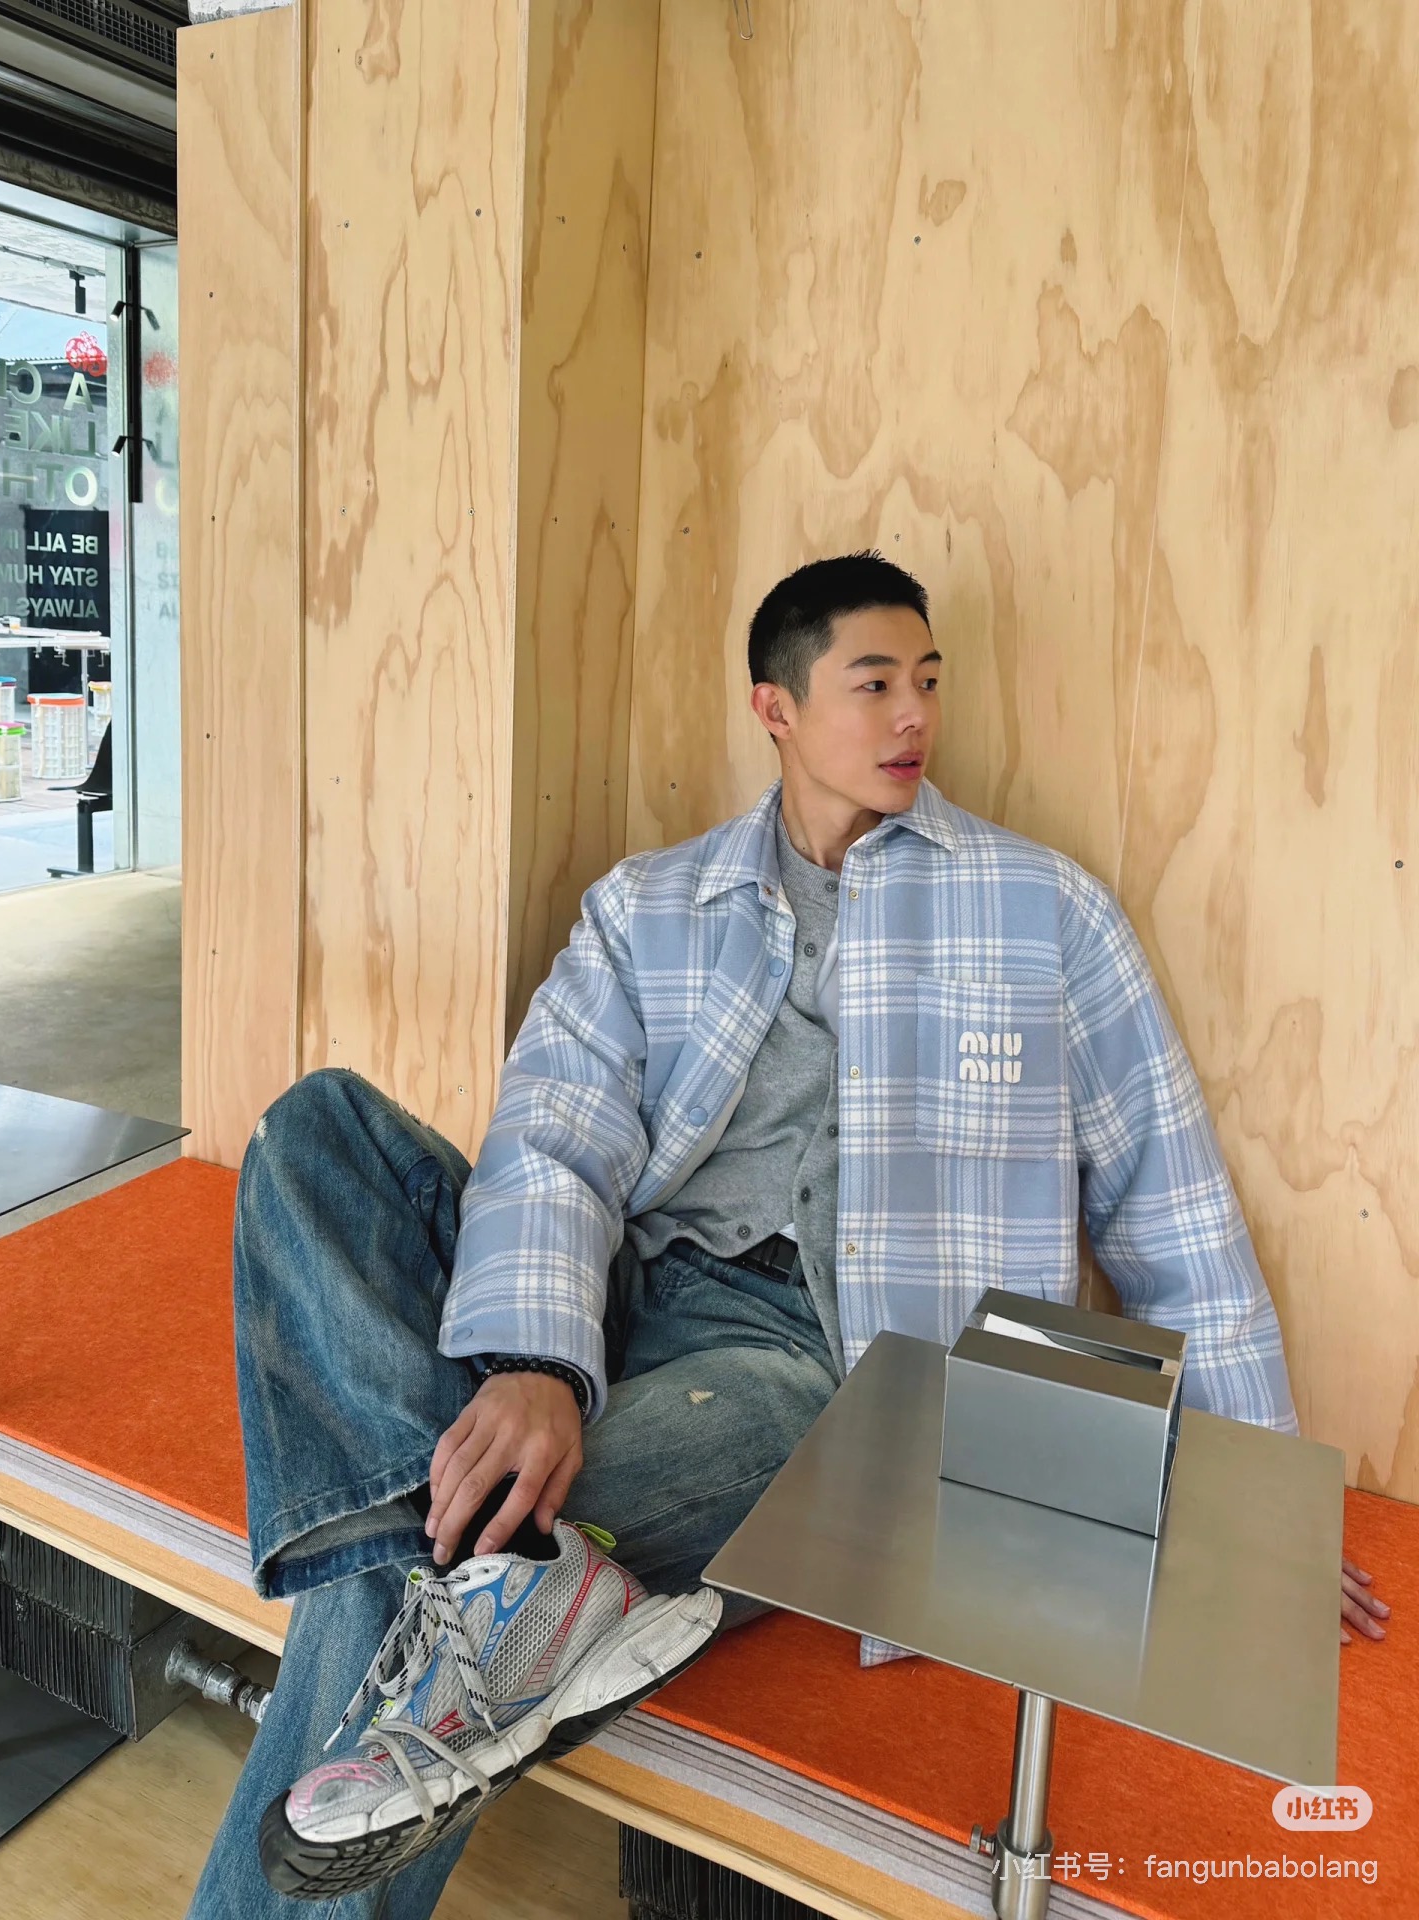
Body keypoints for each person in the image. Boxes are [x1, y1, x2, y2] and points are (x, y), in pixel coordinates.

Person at [188, 552, 1388, 1917]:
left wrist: (1258, 1506)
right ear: (776, 707)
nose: (913, 714)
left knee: (448, 1542)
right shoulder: (650, 907)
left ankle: (463, 1563)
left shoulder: (1045, 913)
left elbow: (1171, 1201)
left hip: (830, 1373)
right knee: (317, 1130)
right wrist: (533, 1363)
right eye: (872, 684)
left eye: (927, 681)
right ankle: (515, 1580)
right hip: (615, 1313)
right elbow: (555, 1142)